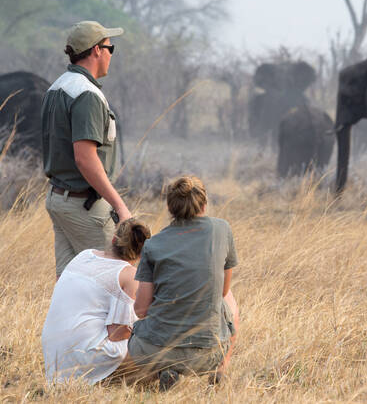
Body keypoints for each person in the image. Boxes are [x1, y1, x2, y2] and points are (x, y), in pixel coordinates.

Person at [127, 175, 239, 390]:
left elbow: (141, 309)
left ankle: (166, 370)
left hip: (154, 352)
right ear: (204, 205)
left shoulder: (153, 245)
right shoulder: (222, 229)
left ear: (170, 208)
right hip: (209, 352)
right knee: (229, 298)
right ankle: (218, 372)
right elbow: (223, 290)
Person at [41, 20, 131, 278]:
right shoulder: (86, 94)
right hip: (84, 205)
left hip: (59, 199)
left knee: (72, 287)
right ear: (96, 51)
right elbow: (84, 158)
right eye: (110, 48)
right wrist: (119, 205)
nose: (111, 53)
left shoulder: (57, 86)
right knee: (114, 283)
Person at [42, 218, 151, 384]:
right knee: (155, 364)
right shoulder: (129, 275)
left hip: (54, 354)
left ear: (114, 239)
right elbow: (117, 334)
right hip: (84, 356)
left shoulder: (85, 255)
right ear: (142, 253)